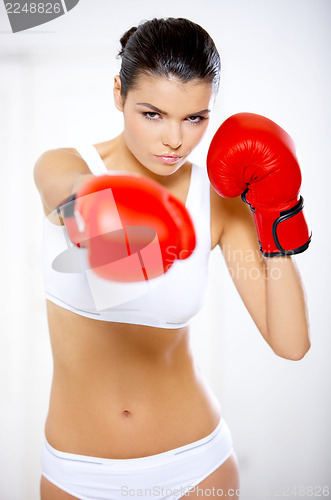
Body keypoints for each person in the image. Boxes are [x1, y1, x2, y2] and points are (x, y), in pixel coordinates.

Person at [34, 17, 311, 500]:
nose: (175, 140)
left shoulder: (220, 201)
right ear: (118, 94)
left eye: (195, 118)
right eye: (153, 114)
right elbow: (71, 197)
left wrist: (277, 212)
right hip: (77, 474)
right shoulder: (66, 164)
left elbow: (291, 345)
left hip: (196, 467)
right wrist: (119, 213)